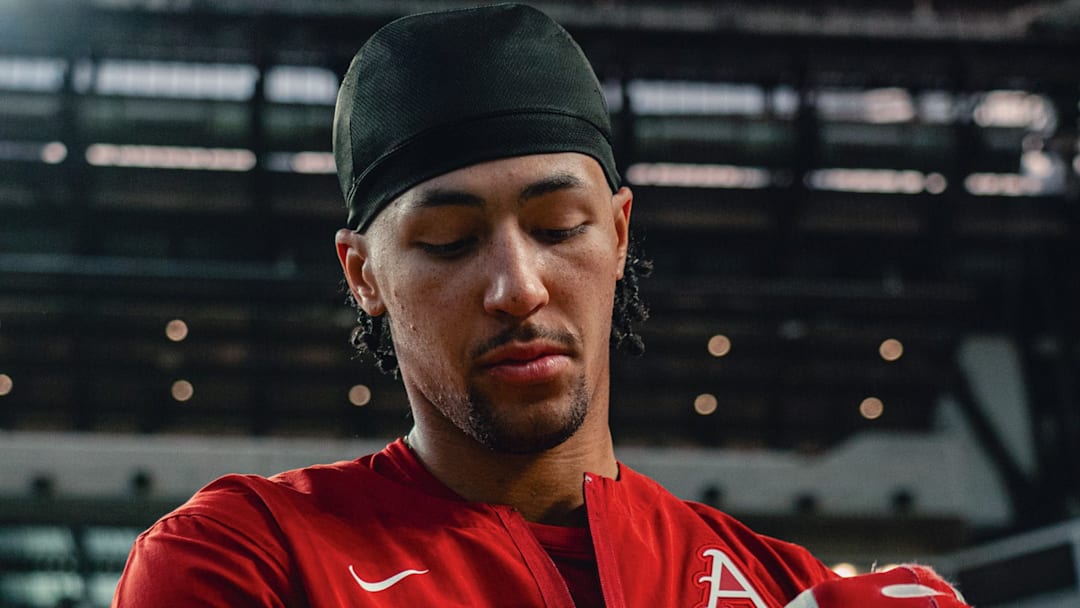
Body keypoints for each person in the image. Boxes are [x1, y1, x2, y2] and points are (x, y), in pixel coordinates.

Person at [112, 5, 971, 607]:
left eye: (560, 226)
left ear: (621, 233)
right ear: (363, 275)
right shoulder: (244, 560)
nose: (518, 287)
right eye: (448, 242)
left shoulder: (777, 586)